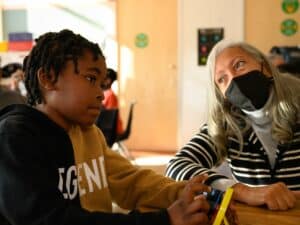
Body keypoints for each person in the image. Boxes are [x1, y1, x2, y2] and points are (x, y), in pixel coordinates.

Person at [0, 29, 211, 225]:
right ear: (48, 78)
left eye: (102, 83)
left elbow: (130, 181)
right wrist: (164, 220)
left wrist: (183, 192)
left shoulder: (89, 134)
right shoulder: (15, 137)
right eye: (91, 78)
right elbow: (51, 219)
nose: (101, 93)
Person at [166, 40, 300, 211]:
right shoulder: (226, 124)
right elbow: (176, 166)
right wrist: (243, 192)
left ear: (264, 65)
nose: (234, 79)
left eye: (239, 64)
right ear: (221, 95)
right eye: (222, 79)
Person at [102, 68, 124, 135]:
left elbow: (109, 117)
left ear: (108, 81)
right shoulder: (105, 93)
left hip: (112, 129)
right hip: (107, 127)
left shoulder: (110, 95)